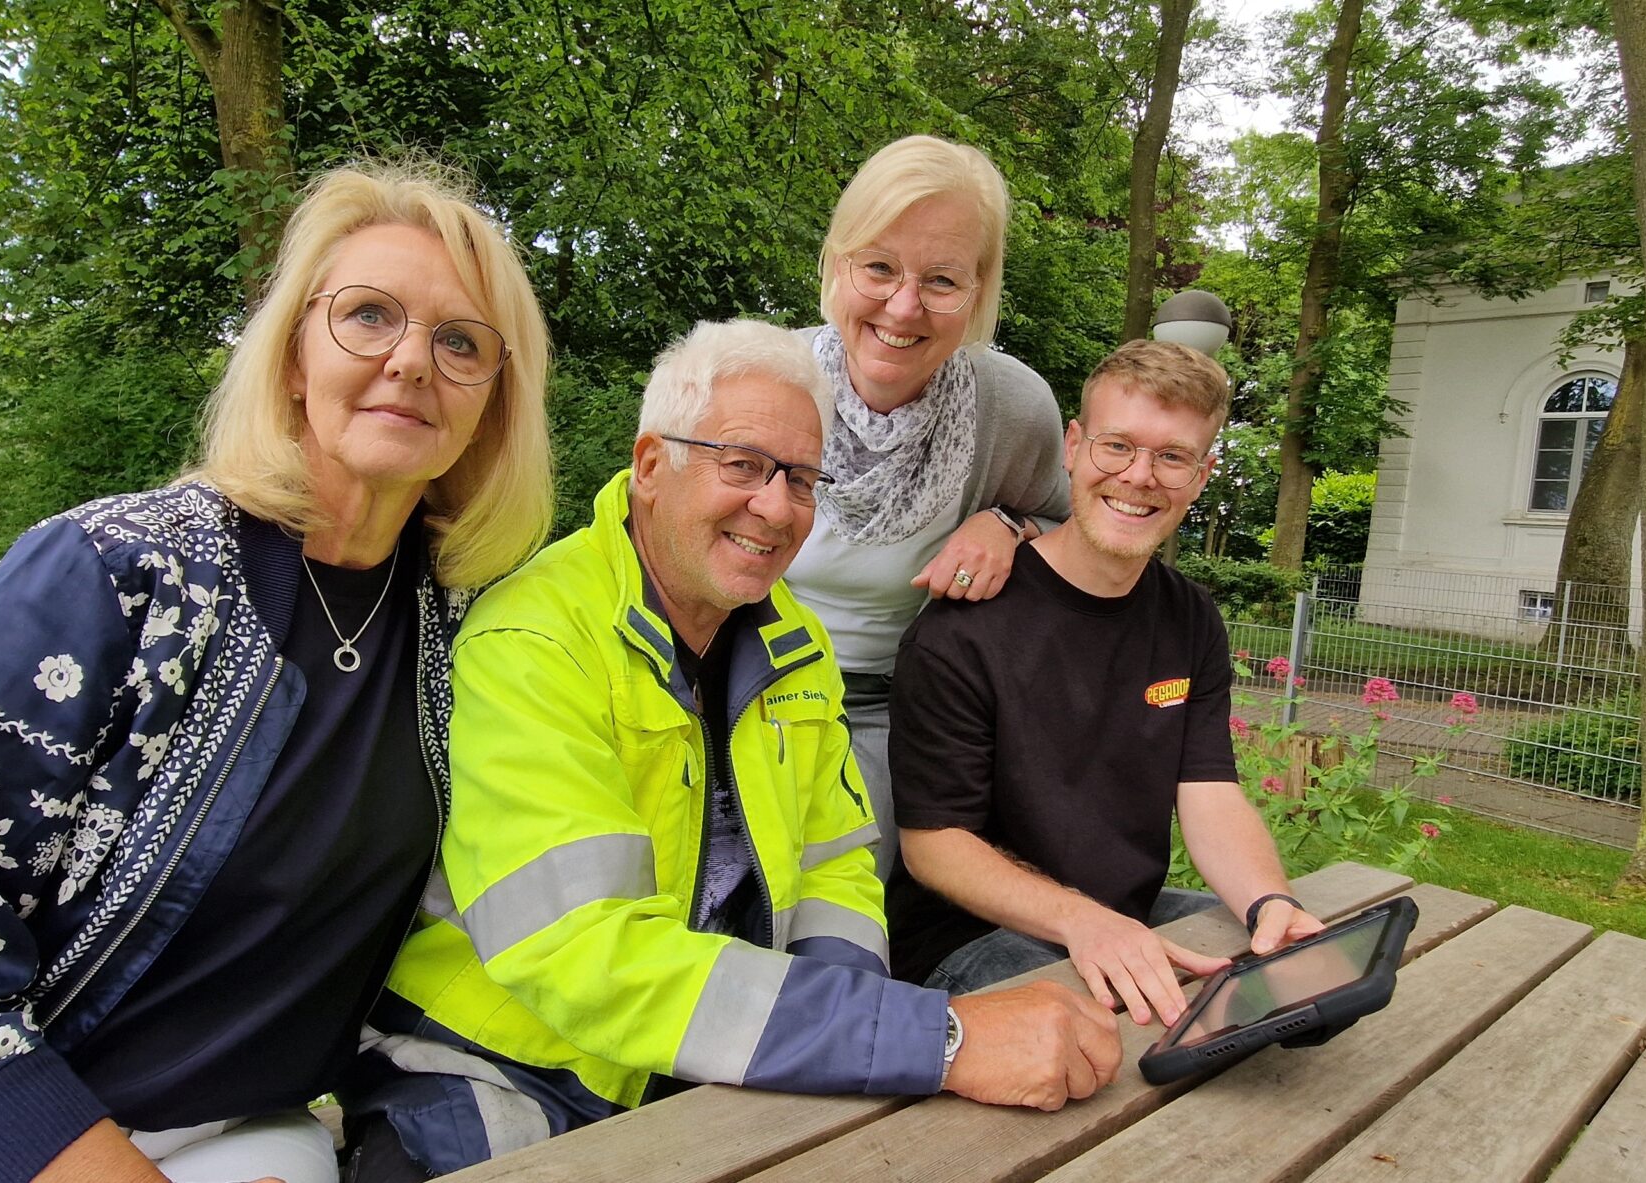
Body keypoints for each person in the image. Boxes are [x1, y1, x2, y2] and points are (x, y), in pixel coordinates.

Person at [0, 160, 555, 1183]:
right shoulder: (113, 571)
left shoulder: (470, 632)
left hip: (231, 1131)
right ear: (293, 360)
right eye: (367, 315)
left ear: (493, 402)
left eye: (460, 343)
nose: (410, 362)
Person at [352, 320, 1121, 1178]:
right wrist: (933, 1039)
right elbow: (583, 954)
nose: (777, 506)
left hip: (702, 1066)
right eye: (743, 465)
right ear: (650, 466)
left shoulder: (799, 642)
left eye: (800, 477)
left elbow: (837, 871)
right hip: (494, 1071)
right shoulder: (537, 635)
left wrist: (851, 1033)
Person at [886, 340, 1325, 1027]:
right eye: (1117, 446)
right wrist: (1084, 921)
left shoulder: (1189, 617)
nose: (1139, 476)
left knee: (1294, 979)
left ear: (1202, 475)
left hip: (1122, 915)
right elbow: (933, 844)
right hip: (968, 943)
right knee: (1139, 1027)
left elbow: (1210, 793)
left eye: (1172, 457)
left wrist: (1270, 903)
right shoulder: (960, 632)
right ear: (1073, 446)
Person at [784, 135, 1073, 878]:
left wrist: (1009, 524)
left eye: (942, 280)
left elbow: (1080, 533)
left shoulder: (1012, 408)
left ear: (980, 291)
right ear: (837, 264)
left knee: (838, 893)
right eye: (879, 266)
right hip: (731, 688)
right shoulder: (764, 383)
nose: (903, 306)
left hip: (894, 716)